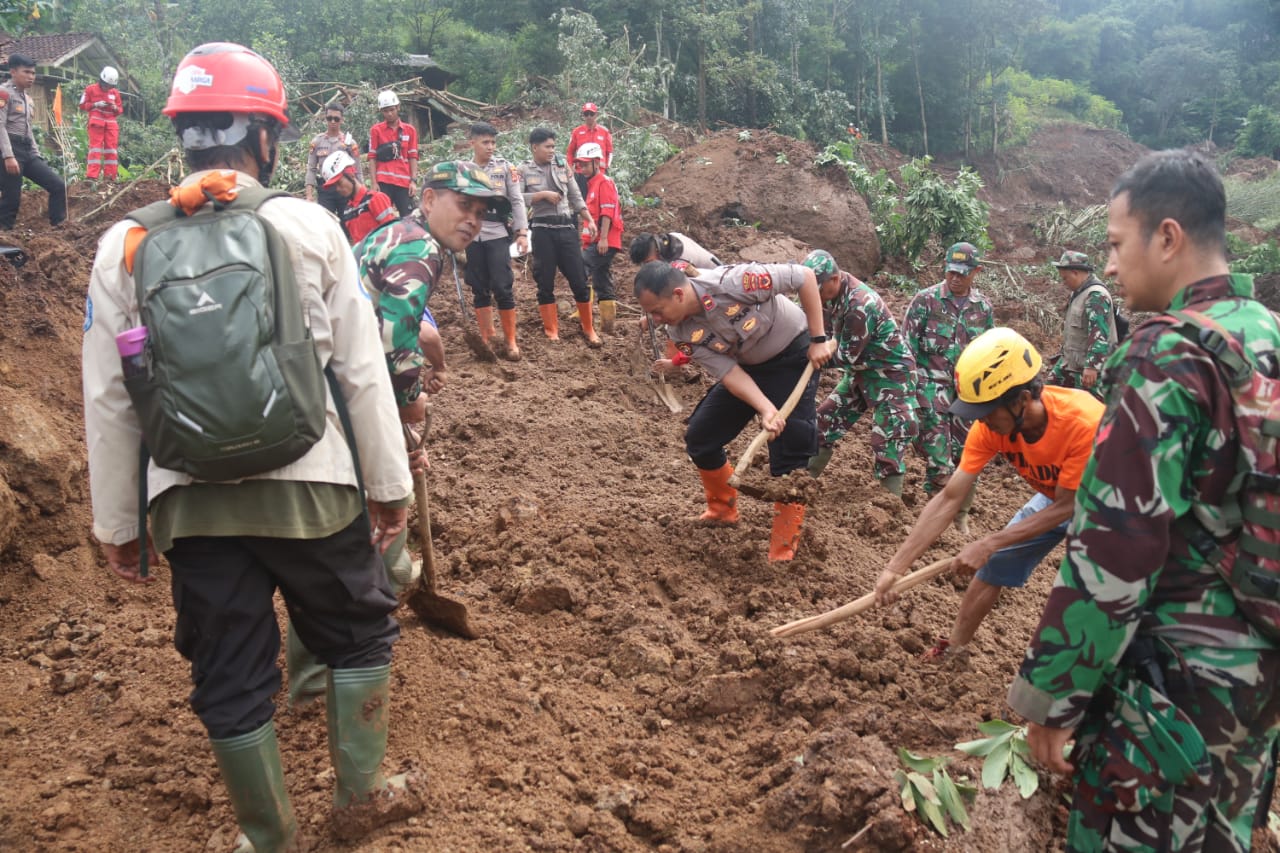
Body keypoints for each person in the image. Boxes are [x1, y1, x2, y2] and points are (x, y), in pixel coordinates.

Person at [81, 43, 422, 850]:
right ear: (266, 136)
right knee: (359, 632)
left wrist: (120, 523)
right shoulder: (308, 224)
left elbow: (109, 397)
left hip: (190, 499)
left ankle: (267, 837)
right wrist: (389, 483)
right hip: (314, 482)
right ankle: (359, 796)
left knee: (227, 671)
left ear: (182, 134)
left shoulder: (123, 243)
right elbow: (361, 367)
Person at [1009, 149, 1280, 852]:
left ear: (1167, 237)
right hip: (1257, 668)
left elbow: (1115, 546)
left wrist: (1052, 697)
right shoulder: (1265, 333)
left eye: (1115, 243)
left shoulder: (1164, 355)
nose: (1108, 266)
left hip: (1173, 690)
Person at [287, 160, 507, 706]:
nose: (473, 220)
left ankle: (388, 584)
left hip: (321, 385)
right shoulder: (420, 248)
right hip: (340, 397)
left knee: (355, 518)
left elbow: (396, 322)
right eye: (464, 206)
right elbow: (391, 342)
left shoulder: (397, 234)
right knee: (355, 525)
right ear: (428, 199)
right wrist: (410, 411)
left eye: (481, 212)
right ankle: (333, 662)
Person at [873, 328, 1103, 662]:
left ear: (1022, 399)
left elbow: (1069, 506)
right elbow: (950, 498)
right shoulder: (990, 428)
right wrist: (895, 568)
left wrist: (989, 543)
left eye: (987, 410)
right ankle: (953, 650)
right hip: (1059, 497)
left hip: (1113, 506)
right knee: (996, 562)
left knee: (1092, 598)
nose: (981, 421)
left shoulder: (1083, 422)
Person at [635, 260, 833, 561]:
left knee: (790, 450)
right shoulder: (679, 332)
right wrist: (766, 408)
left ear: (678, 294)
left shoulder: (735, 282)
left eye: (657, 311)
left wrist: (818, 339)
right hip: (747, 368)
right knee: (701, 437)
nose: (655, 319)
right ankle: (722, 511)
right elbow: (728, 373)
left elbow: (804, 276)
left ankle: (783, 550)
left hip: (792, 357)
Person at [800, 250, 919, 496]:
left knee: (888, 440)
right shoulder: (828, 294)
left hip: (891, 375)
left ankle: (888, 506)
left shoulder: (861, 305)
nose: (815, 296)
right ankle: (801, 483)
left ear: (834, 279)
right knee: (823, 423)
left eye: (817, 290)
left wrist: (805, 356)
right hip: (861, 373)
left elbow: (846, 356)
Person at [902, 241, 994, 530]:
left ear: (976, 272)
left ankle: (960, 518)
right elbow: (907, 349)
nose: (955, 278)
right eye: (951, 272)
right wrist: (912, 393)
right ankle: (935, 524)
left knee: (968, 456)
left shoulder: (983, 308)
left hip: (967, 395)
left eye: (962, 274)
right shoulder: (925, 301)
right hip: (930, 389)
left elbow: (990, 353)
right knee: (940, 458)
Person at [518, 127, 600, 346]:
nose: (552, 150)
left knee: (579, 280)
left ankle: (589, 328)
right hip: (542, 231)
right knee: (545, 282)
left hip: (566, 229)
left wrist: (589, 219)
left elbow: (575, 195)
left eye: (553, 146)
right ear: (534, 147)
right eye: (547, 147)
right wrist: (541, 195)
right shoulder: (524, 169)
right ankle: (551, 330)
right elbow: (516, 198)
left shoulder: (562, 166)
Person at [462, 121, 529, 360]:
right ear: (473, 143)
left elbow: (517, 200)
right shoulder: (463, 169)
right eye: (485, 142)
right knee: (479, 287)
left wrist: (522, 232)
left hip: (497, 234)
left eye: (493, 142)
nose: (490, 147)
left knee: (502, 286)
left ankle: (511, 341)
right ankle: (487, 338)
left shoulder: (505, 168)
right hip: (472, 235)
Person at [0, 53, 66, 230]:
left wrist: (36, 154)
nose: (31, 77)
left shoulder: (28, 99)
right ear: (13, 72)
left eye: (33, 73)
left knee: (58, 186)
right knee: (11, 198)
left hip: (27, 151)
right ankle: (4, 234)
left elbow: (28, 129)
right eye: (26, 72)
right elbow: (0, 126)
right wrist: (8, 156)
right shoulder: (4, 94)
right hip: (10, 149)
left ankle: (60, 228)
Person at [1045, 250, 1118, 400]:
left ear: (1075, 272)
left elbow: (1099, 333)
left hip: (1088, 369)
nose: (1064, 283)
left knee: (1091, 407)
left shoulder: (1096, 295)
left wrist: (1092, 366)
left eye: (1065, 278)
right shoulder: (1079, 292)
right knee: (1049, 394)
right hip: (1070, 363)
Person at [577, 141, 623, 334]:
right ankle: (607, 324)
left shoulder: (604, 182)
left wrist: (603, 238)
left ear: (597, 162)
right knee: (601, 277)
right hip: (597, 240)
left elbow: (607, 212)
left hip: (605, 240)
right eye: (581, 165)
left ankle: (582, 312)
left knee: (580, 268)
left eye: (586, 165)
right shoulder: (592, 184)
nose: (582, 169)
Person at [320, 150, 396, 245]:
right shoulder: (347, 211)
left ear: (350, 174)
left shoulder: (375, 199)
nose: (338, 189)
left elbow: (393, 233)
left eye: (339, 183)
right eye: (334, 186)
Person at [368, 90, 418, 217]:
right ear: (381, 111)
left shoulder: (410, 130)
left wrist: (413, 181)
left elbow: (412, 156)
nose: (389, 114)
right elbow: (372, 157)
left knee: (409, 218)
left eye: (392, 110)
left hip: (404, 182)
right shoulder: (376, 131)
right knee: (383, 218)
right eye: (386, 111)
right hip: (383, 182)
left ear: (398, 107)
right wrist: (374, 183)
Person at [305, 104, 360, 215]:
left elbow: (358, 169)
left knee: (347, 221)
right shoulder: (317, 142)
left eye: (336, 119)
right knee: (325, 221)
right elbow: (311, 169)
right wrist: (309, 195)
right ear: (325, 119)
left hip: (345, 188)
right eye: (329, 118)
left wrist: (361, 193)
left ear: (342, 120)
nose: (333, 121)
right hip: (325, 189)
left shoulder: (349, 143)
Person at [79, 66, 124, 182]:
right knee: (95, 150)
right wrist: (95, 104)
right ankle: (92, 176)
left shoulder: (115, 93)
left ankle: (110, 177)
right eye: (106, 85)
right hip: (96, 124)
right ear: (101, 81)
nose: (107, 88)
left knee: (111, 151)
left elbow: (120, 110)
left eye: (110, 86)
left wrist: (115, 108)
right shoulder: (90, 89)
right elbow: (82, 105)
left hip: (111, 126)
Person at [566, 101, 613, 199]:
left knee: (599, 198)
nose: (589, 117)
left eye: (591, 114)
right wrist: (570, 168)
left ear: (596, 115)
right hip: (582, 173)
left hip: (599, 172)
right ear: (583, 115)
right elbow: (570, 152)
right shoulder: (576, 132)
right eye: (586, 114)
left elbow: (609, 152)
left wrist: (606, 167)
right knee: (583, 199)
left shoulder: (604, 132)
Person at [628, 231, 723, 271]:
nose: (646, 266)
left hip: (716, 282)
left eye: (648, 262)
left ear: (656, 251)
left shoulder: (679, 263)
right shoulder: (671, 237)